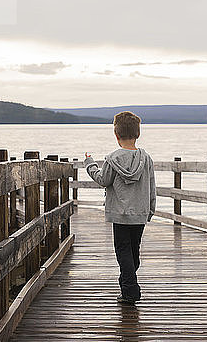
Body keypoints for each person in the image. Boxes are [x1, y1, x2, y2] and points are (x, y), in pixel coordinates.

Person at [84, 111, 156, 304]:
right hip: (140, 213)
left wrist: (90, 164)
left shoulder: (111, 159)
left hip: (120, 215)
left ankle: (130, 290)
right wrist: (150, 209)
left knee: (123, 251)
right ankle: (127, 282)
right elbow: (151, 186)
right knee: (133, 251)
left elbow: (103, 179)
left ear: (116, 135)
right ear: (138, 134)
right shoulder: (146, 158)